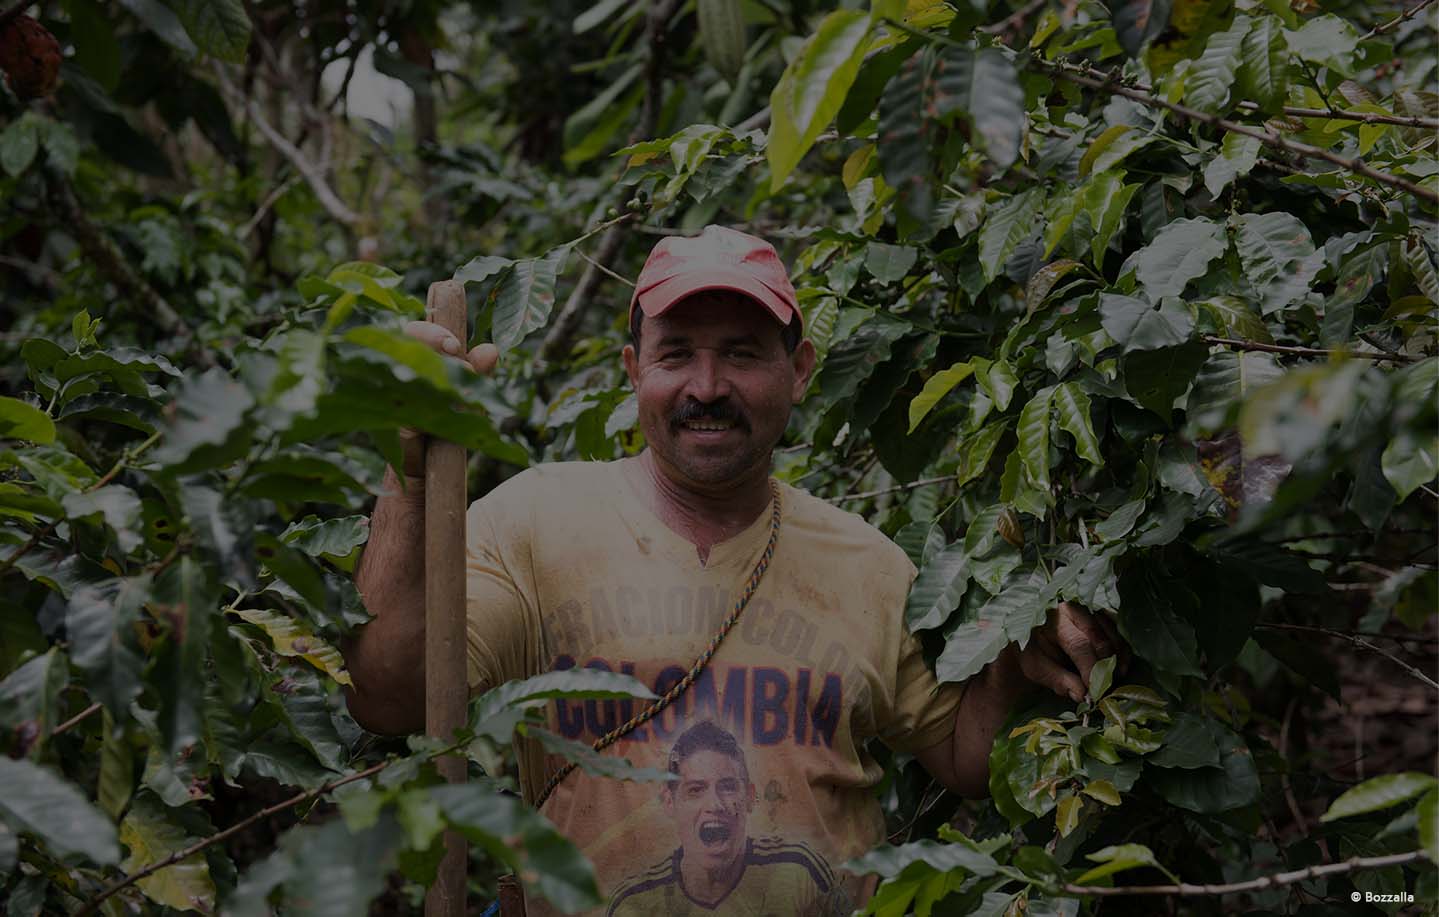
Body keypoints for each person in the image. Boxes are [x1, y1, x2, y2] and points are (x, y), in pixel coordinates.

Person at [344, 225, 1122, 915]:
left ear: (800, 369)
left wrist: (1016, 656)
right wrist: (406, 472)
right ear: (631, 369)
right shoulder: (530, 526)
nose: (706, 387)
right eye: (676, 352)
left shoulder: (871, 564)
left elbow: (964, 758)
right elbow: (388, 696)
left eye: (742, 354)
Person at [607, 720, 849, 916]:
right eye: (696, 789)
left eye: (728, 786)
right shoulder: (633, 904)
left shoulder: (800, 871)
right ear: (670, 803)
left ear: (750, 798)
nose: (715, 804)